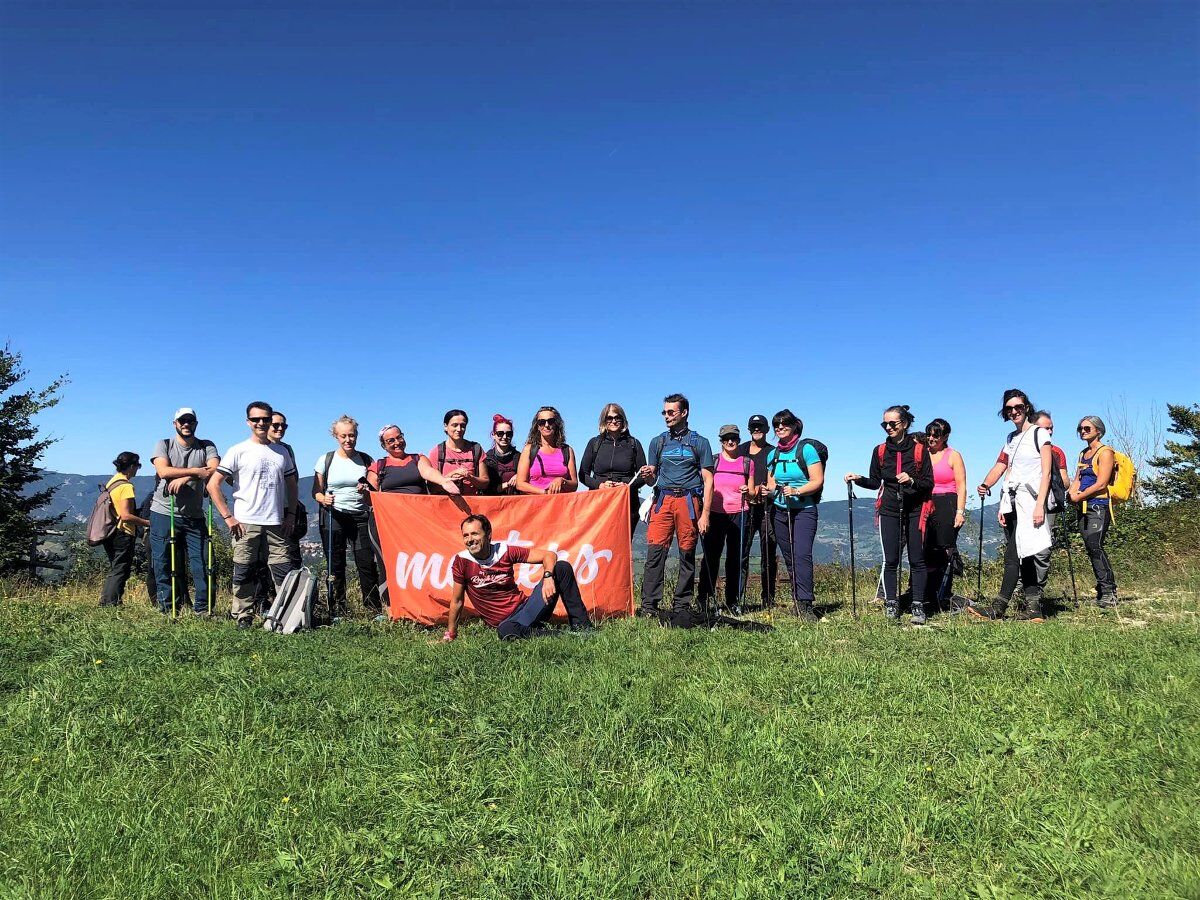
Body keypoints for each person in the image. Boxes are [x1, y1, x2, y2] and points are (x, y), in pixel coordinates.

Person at [208, 401, 300, 629]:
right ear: (248, 422)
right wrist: (228, 517)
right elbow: (213, 485)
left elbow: (292, 485)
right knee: (243, 570)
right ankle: (243, 615)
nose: (261, 423)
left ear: (270, 420)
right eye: (256, 419)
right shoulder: (238, 450)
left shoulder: (282, 452)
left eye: (265, 419)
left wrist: (291, 514)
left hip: (276, 521)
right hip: (245, 521)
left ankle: (284, 615)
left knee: (282, 571)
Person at [969, 389, 1055, 623]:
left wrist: (1040, 507)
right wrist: (986, 484)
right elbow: (1003, 466)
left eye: (1018, 407)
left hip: (1031, 502)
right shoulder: (1010, 438)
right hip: (1014, 502)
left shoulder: (1040, 434)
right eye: (1009, 409)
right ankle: (1034, 609)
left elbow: (1046, 473)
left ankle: (999, 607)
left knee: (1012, 556)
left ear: (1027, 407)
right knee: (1025, 555)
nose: (1014, 412)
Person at [845, 405, 933, 625]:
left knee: (916, 559)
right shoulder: (880, 451)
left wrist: (912, 481)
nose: (888, 427)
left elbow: (928, 483)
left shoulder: (920, 450)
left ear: (904, 424)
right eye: (885, 423)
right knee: (891, 559)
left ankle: (918, 606)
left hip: (915, 509)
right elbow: (876, 483)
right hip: (889, 508)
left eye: (892, 423)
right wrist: (858, 479)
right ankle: (891, 603)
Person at [444, 514, 594, 640]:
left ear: (488, 535)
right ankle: (564, 635)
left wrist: (548, 576)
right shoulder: (461, 561)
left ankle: (582, 627)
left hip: (527, 609)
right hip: (506, 623)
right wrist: (450, 634)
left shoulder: (505, 551)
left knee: (561, 567)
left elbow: (549, 555)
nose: (470, 539)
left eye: (475, 534)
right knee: (505, 630)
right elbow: (457, 601)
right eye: (466, 535)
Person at [637, 393, 714, 617]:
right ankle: (649, 606)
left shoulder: (700, 442)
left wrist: (705, 514)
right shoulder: (658, 442)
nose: (666, 416)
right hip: (663, 500)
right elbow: (652, 479)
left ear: (684, 412)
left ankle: (681, 605)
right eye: (664, 412)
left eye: (671, 412)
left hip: (689, 501)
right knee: (655, 553)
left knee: (687, 554)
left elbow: (709, 481)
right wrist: (649, 474)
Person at [148, 408, 220, 615]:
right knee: (163, 563)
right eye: (182, 421)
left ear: (196, 423)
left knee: (203, 563)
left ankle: (203, 609)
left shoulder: (206, 446)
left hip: (194, 515)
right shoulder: (164, 444)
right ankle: (168, 607)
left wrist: (186, 478)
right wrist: (197, 471)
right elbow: (163, 471)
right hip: (163, 512)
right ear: (175, 423)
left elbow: (215, 468)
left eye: (190, 421)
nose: (186, 424)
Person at [313, 415, 382, 616]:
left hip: (360, 516)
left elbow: (374, 492)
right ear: (336, 437)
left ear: (357, 436)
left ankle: (373, 608)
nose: (348, 440)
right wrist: (323, 499)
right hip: (334, 515)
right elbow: (315, 492)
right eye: (343, 436)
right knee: (335, 565)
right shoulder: (326, 460)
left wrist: (366, 491)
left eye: (351, 435)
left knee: (366, 563)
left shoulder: (366, 460)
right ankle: (337, 609)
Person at [764, 411, 825, 622]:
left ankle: (806, 604)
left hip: (804, 510)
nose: (779, 428)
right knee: (790, 558)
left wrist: (797, 491)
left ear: (794, 426)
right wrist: (767, 490)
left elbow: (817, 480)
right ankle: (798, 602)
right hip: (780, 511)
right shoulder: (773, 455)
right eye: (776, 425)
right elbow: (771, 483)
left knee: (801, 555)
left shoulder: (806, 450)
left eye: (784, 424)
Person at [697, 425, 751, 616]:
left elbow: (752, 493)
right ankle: (704, 598)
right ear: (720, 440)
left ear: (738, 439)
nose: (730, 442)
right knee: (711, 558)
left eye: (734, 438)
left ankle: (732, 601)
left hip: (740, 512)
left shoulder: (746, 463)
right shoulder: (713, 462)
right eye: (726, 438)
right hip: (715, 513)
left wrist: (748, 491)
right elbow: (704, 485)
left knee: (736, 559)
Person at [1068, 415, 1118, 608]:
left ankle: (1108, 591)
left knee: (1095, 545)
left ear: (1098, 430)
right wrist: (1072, 493)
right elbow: (1078, 478)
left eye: (1087, 428)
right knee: (1091, 547)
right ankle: (1103, 589)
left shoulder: (1105, 452)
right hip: (1083, 506)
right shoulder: (1083, 454)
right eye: (1080, 428)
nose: (1083, 431)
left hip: (1099, 504)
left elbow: (1102, 482)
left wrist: (1080, 496)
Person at [578, 402, 647, 534]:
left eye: (617, 417)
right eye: (609, 418)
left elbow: (642, 475)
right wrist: (600, 485)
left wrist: (626, 485)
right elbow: (582, 474)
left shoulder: (633, 444)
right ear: (604, 421)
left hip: (626, 502)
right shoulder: (595, 443)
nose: (613, 421)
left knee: (623, 545)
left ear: (623, 420)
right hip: (599, 502)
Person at [922, 418, 967, 609]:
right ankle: (927, 593)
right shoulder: (922, 454)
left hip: (947, 502)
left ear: (945, 437)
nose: (931, 438)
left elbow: (962, 485)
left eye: (936, 435)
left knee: (945, 548)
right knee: (926, 548)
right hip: (925, 503)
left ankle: (943, 591)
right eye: (929, 434)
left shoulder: (953, 455)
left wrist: (960, 511)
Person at [100, 452, 150, 607]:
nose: (137, 471)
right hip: (123, 532)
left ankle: (109, 600)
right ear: (131, 467)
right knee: (121, 568)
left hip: (109, 530)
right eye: (136, 467)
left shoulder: (112, 483)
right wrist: (147, 522)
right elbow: (126, 515)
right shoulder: (126, 486)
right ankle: (111, 602)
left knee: (116, 567)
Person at [738, 414, 777, 608]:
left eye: (760, 427)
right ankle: (736, 598)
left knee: (768, 553)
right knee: (741, 553)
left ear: (767, 429)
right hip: (744, 507)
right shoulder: (740, 450)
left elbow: (776, 478)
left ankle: (768, 599)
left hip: (767, 508)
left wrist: (768, 490)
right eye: (753, 427)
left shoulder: (772, 452)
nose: (756, 430)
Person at [368, 425, 461, 494]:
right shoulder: (378, 466)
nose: (397, 442)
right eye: (391, 440)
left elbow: (428, 471)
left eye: (399, 437)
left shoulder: (418, 459)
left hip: (418, 514)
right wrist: (364, 492)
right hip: (391, 517)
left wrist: (443, 481)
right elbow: (371, 499)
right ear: (383, 446)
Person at [515, 406, 579, 495]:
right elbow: (520, 484)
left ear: (557, 424)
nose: (546, 425)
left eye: (551, 421)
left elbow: (574, 485)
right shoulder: (529, 450)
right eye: (541, 422)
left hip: (561, 505)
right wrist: (545, 493)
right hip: (536, 505)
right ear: (537, 426)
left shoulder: (567, 450)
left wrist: (562, 480)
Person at [428, 409, 488, 495]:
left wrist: (470, 477)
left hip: (473, 505)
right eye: (454, 425)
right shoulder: (437, 452)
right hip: (445, 505)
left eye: (463, 425)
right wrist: (451, 476)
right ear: (446, 426)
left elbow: (485, 483)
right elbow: (431, 488)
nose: (459, 429)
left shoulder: (476, 449)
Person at [484, 415, 520, 495]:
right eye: (500, 433)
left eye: (509, 434)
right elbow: (485, 489)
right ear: (493, 435)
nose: (505, 437)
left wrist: (520, 476)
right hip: (494, 504)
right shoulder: (486, 459)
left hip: (517, 504)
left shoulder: (520, 457)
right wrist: (507, 484)